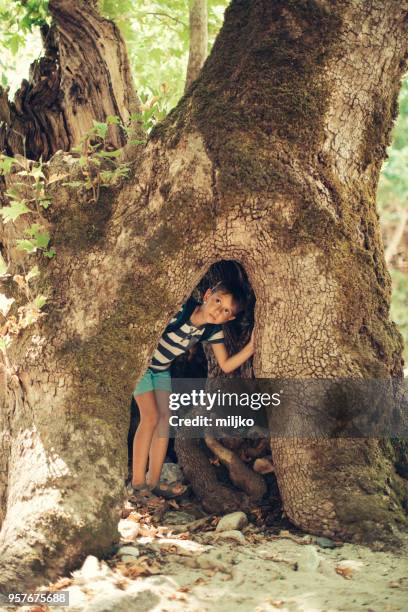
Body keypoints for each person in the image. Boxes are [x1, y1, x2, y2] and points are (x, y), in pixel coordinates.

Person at [129, 280, 255, 500]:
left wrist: (253, 345)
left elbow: (225, 365)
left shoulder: (213, 331)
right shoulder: (180, 311)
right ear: (207, 295)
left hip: (161, 370)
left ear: (230, 318)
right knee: (150, 417)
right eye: (217, 301)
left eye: (226, 310)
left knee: (165, 420)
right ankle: (138, 483)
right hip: (141, 366)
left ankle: (153, 481)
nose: (218, 310)